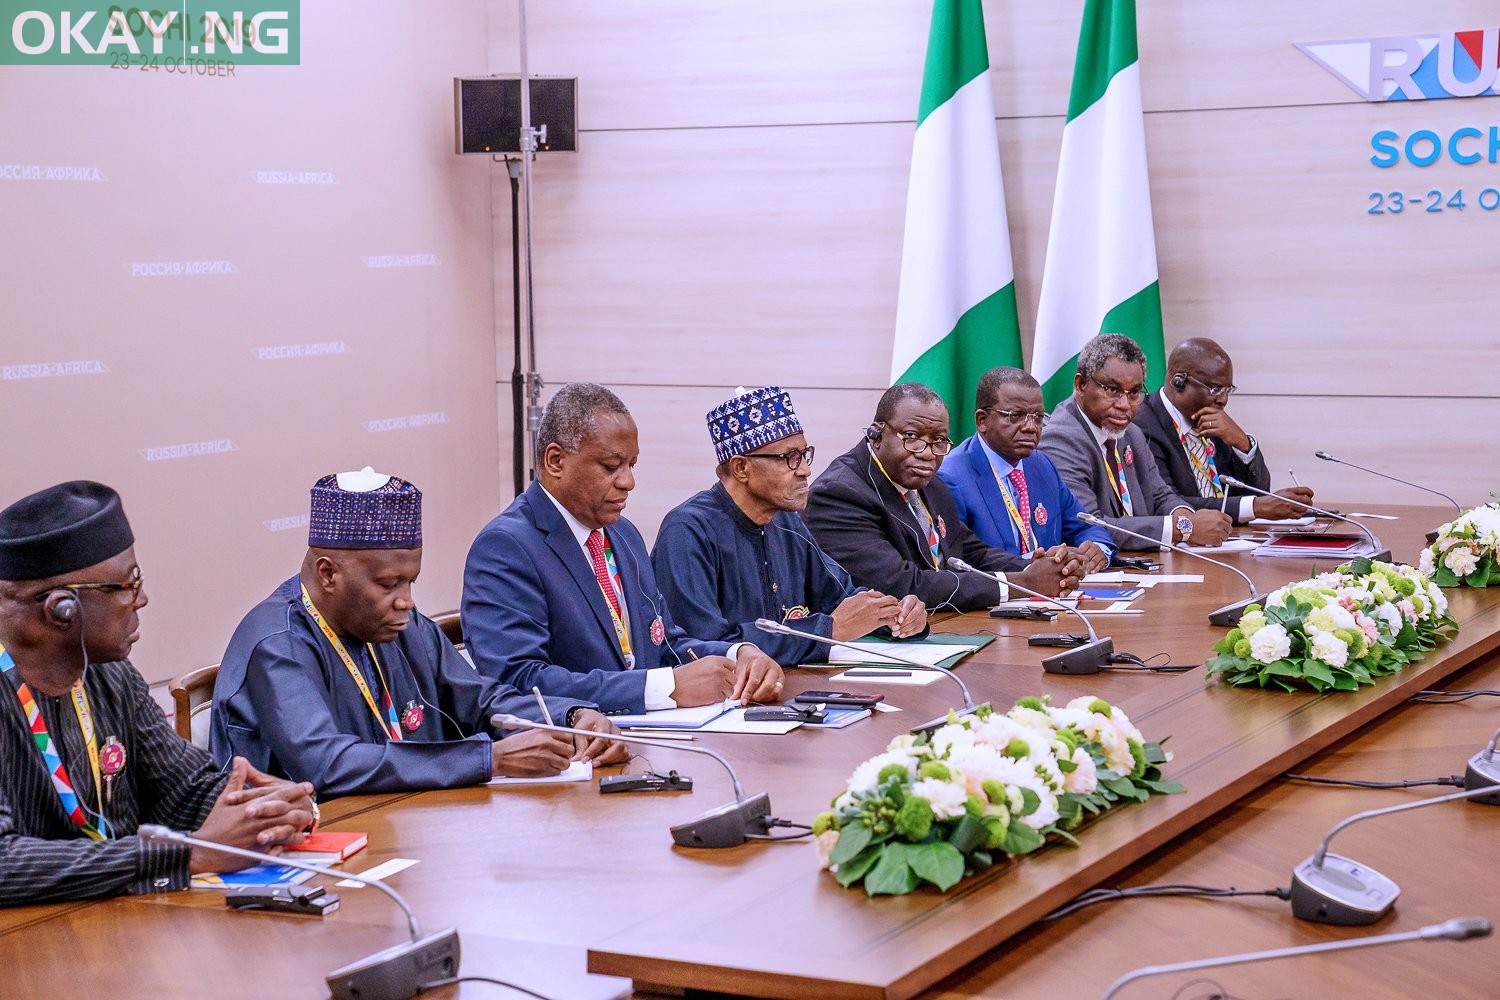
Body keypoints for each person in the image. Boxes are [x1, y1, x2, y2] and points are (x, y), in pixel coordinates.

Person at [213, 469, 627, 798]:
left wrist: (571, 718)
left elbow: (482, 700)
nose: (406, 601)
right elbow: (327, 764)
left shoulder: (402, 625)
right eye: (389, 584)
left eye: (410, 582)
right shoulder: (277, 643)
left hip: (406, 822)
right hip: (311, 850)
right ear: (328, 574)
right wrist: (487, 759)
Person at [0, 481, 314, 906]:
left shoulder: (113, 676)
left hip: (117, 927)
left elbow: (182, 791)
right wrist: (189, 853)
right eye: (127, 584)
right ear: (61, 608)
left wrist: (261, 810)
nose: (142, 599)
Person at [463, 383, 785, 715]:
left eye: (632, 465)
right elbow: (517, 681)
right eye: (611, 466)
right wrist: (664, 688)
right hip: (576, 753)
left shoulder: (623, 534)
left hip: (651, 742)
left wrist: (739, 656)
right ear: (556, 460)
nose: (628, 481)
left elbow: (663, 644)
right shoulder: (506, 547)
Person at [653, 386, 927, 666]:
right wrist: (828, 631)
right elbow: (703, 647)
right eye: (789, 458)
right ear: (741, 468)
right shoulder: (687, 532)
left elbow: (840, 597)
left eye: (804, 455)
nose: (805, 470)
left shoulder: (786, 522)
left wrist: (895, 615)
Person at [803, 383, 1083, 613]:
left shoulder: (930, 484)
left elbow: (971, 552)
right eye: (912, 437)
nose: (927, 452)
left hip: (941, 628)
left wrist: (1044, 568)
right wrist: (1021, 583)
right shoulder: (839, 495)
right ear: (877, 434)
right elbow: (902, 586)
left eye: (939, 441)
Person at [1038, 334, 1233, 550]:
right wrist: (1183, 529)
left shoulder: (1131, 433)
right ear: (1081, 384)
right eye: (1112, 390)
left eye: (1133, 393)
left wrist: (1186, 518)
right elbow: (1089, 524)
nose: (1124, 404)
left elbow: (1161, 496)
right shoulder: (1060, 439)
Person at [938, 367, 1114, 575]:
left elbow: (1085, 524)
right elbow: (964, 560)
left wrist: (1097, 549)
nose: (1031, 427)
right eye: (1016, 416)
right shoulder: (951, 478)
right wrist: (1034, 567)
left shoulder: (1041, 464)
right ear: (982, 420)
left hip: (1057, 593)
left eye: (1038, 417)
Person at [1134, 337, 1314, 521]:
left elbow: (1259, 494)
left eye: (1228, 390)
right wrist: (1254, 507)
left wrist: (1243, 444)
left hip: (1229, 539)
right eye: (1215, 389)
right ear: (1178, 381)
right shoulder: (1143, 427)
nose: (1223, 400)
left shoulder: (1212, 421)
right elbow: (1168, 504)